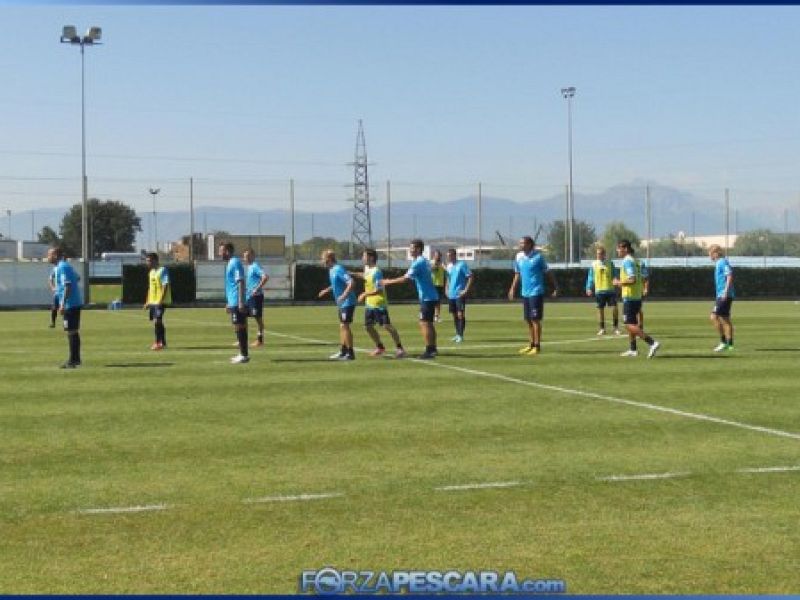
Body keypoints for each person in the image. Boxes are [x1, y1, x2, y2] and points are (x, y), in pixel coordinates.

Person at [382, 239, 439, 359]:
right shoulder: (423, 261)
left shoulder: (418, 262)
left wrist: (388, 282)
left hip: (427, 297)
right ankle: (433, 348)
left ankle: (429, 351)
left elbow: (405, 279)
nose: (410, 250)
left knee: (424, 323)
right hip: (431, 296)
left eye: (412, 248)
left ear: (418, 249)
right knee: (428, 323)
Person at [507, 235, 558, 355]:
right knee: (528, 320)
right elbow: (517, 274)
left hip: (536, 292)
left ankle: (537, 345)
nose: (520, 245)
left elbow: (548, 272)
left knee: (535, 319)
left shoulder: (538, 257)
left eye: (523, 243)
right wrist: (512, 289)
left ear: (530, 244)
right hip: (525, 293)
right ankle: (531, 344)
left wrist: (555, 287)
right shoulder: (519, 257)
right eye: (520, 243)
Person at [353, 248, 406, 358]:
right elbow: (364, 275)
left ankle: (400, 348)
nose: (362, 258)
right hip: (369, 304)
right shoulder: (367, 268)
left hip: (379, 304)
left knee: (387, 326)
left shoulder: (377, 272)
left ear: (371, 258)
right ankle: (380, 347)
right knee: (368, 327)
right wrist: (351, 273)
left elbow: (379, 290)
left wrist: (364, 294)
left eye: (364, 256)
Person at [613, 239, 660, 358]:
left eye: (619, 248)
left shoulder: (627, 261)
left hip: (630, 297)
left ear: (625, 249)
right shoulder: (635, 261)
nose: (617, 250)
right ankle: (633, 349)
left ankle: (652, 342)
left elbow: (632, 279)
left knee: (628, 325)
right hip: (636, 296)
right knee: (632, 323)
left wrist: (619, 283)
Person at [317, 249, 357, 361]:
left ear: (329, 259)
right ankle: (343, 351)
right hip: (341, 303)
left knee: (345, 326)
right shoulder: (332, 270)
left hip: (348, 302)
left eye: (323, 258)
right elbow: (336, 284)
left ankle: (350, 353)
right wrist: (326, 290)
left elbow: (351, 282)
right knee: (342, 326)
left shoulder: (338, 268)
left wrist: (344, 295)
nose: (322, 261)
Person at [49, 246, 83, 368]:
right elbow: (77, 278)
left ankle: (73, 360)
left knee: (71, 331)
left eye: (50, 255)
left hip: (70, 304)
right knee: (71, 331)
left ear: (56, 255)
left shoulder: (63, 267)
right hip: (72, 302)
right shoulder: (61, 267)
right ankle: (75, 359)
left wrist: (62, 303)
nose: (48, 257)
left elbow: (68, 286)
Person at [219, 242, 250, 364]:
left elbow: (240, 281)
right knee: (237, 327)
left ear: (227, 251)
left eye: (221, 251)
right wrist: (229, 303)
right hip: (233, 301)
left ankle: (244, 355)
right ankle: (242, 353)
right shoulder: (230, 264)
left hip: (237, 301)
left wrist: (241, 302)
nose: (219, 253)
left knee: (240, 326)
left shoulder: (235, 262)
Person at [585, 246, 621, 336]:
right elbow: (590, 277)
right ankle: (602, 329)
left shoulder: (610, 263)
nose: (598, 255)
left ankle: (616, 328)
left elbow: (615, 275)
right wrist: (589, 287)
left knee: (615, 308)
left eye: (600, 253)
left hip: (610, 290)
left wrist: (617, 281)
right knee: (600, 310)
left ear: (604, 254)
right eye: (597, 254)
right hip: (599, 291)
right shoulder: (594, 264)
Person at [709, 244, 735, 352]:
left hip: (724, 295)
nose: (709, 256)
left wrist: (725, 291)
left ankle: (723, 342)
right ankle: (730, 345)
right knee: (725, 319)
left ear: (715, 253)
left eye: (710, 253)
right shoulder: (719, 263)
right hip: (723, 294)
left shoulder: (722, 262)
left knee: (713, 316)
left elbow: (729, 275)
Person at [444, 248, 474, 343]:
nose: (448, 258)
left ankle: (461, 335)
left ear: (454, 255)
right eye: (447, 256)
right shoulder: (449, 266)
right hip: (451, 294)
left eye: (449, 256)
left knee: (460, 314)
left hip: (459, 294)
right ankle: (457, 334)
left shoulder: (462, 264)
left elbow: (470, 276)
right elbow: (448, 278)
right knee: (454, 315)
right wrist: (446, 289)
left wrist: (466, 290)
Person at [143, 252, 171, 350]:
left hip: (161, 301)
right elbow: (150, 288)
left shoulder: (163, 270)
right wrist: (147, 301)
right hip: (153, 302)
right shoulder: (151, 273)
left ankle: (159, 342)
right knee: (156, 321)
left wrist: (161, 299)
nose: (147, 263)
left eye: (149, 261)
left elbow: (165, 285)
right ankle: (162, 342)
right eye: (147, 261)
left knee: (157, 321)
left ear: (155, 261)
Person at [243, 248, 270, 348]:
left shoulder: (255, 266)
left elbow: (265, 277)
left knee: (258, 319)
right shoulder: (249, 267)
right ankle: (242, 339)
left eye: (248, 256)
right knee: (242, 316)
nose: (246, 258)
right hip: (249, 297)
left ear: (253, 256)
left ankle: (260, 340)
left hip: (256, 297)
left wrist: (257, 289)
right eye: (245, 256)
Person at [430, 249, 446, 322]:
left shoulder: (442, 263)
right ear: (434, 256)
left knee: (438, 301)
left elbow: (446, 271)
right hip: (433, 284)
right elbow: (432, 269)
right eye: (436, 255)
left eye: (439, 256)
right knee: (432, 301)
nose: (438, 257)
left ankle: (437, 316)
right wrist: (436, 264)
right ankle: (431, 315)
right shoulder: (431, 262)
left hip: (440, 284)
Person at [47, 250, 59, 328]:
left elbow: (77, 278)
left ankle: (67, 323)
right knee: (54, 307)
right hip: (58, 292)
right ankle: (53, 323)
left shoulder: (63, 267)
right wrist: (53, 288)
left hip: (64, 291)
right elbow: (50, 278)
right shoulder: (55, 268)